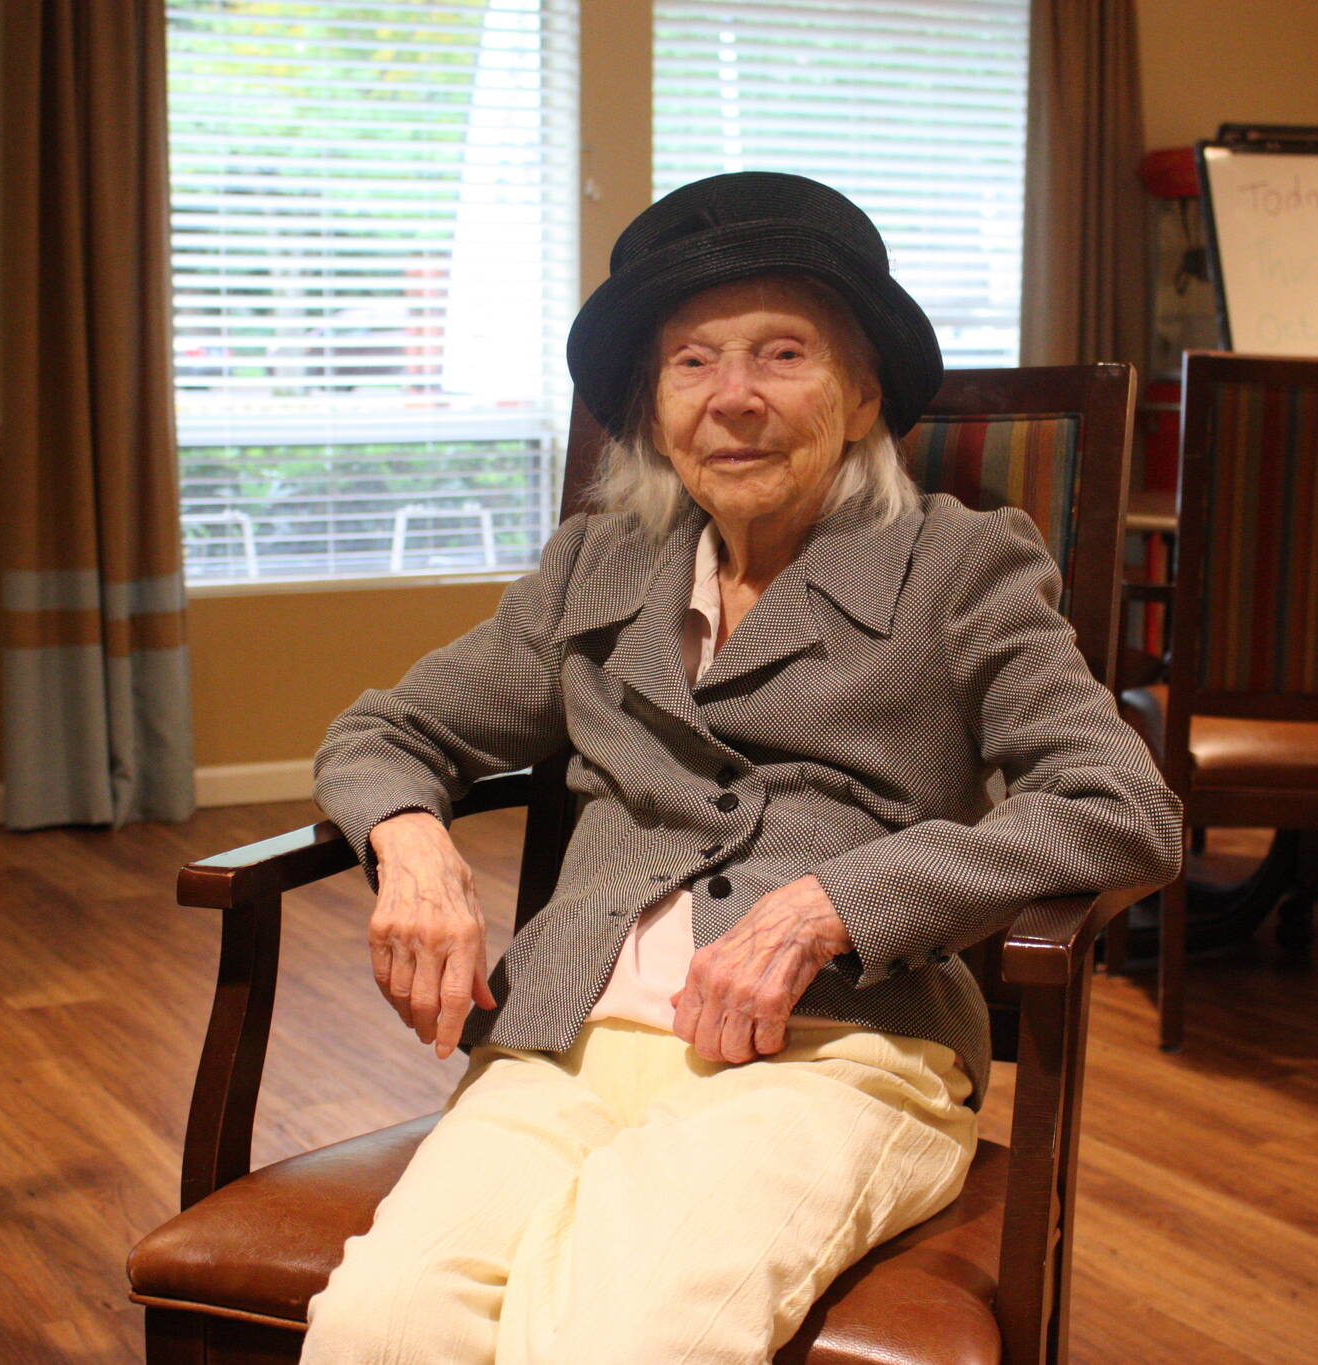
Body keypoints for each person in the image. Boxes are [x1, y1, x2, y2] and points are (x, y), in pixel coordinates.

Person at [302, 171, 1182, 1364]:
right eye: (692, 364)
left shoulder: (959, 567)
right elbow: (383, 732)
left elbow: (1122, 810)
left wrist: (835, 904)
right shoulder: (596, 567)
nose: (734, 401)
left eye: (781, 355)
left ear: (863, 394)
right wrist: (411, 849)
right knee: (379, 1329)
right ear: (653, 409)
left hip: (835, 1054)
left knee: (615, 1341)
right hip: (561, 1047)